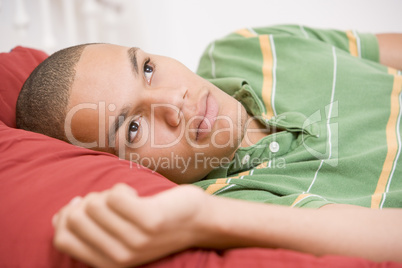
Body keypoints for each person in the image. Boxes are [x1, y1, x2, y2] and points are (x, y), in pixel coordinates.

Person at [16, 25, 402, 267]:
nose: (175, 101)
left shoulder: (243, 48)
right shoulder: (231, 200)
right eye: (133, 128)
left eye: (148, 69)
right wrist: (202, 218)